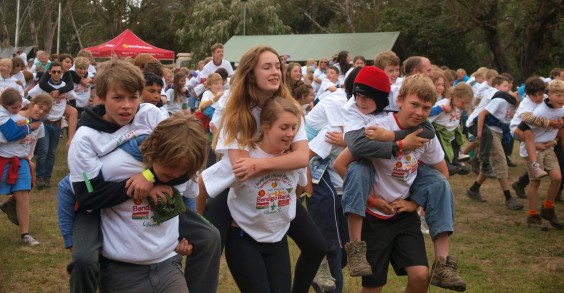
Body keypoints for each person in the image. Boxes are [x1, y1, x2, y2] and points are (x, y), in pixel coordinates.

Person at [65, 60, 220, 293]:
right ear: (101, 96)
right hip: (98, 205)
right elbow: (88, 195)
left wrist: (149, 176)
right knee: (84, 260)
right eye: (118, 98)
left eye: (133, 97)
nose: (127, 106)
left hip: (159, 196)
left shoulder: (149, 114)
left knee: (209, 237)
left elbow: (176, 157)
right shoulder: (86, 139)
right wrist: (143, 187)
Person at [197, 46, 327, 293]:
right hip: (235, 190)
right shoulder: (236, 112)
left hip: (274, 185)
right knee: (208, 248)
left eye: (278, 66)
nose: (276, 71)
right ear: (250, 74)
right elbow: (240, 168)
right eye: (267, 67)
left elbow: (301, 158)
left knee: (316, 244)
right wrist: (274, 160)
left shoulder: (289, 109)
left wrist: (261, 163)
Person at [336, 68, 465, 291]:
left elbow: (442, 173)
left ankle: (443, 264)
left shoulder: (426, 133)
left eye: (426, 108)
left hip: (404, 215)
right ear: (400, 100)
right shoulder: (378, 128)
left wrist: (414, 203)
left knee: (421, 275)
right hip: (374, 217)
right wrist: (370, 200)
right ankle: (355, 248)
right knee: (374, 286)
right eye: (414, 104)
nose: (419, 112)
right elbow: (340, 164)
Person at [201, 96, 307, 293]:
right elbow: (203, 184)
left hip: (278, 240)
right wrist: (199, 223)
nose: (290, 134)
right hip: (244, 239)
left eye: (294, 128)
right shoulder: (244, 160)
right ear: (265, 127)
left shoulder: (293, 160)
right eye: (284, 128)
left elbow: (300, 188)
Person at [0, 94, 52, 245]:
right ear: (32, 104)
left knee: (23, 194)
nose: (41, 112)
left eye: (45, 111)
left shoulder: (40, 126)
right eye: (40, 107)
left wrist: (29, 160)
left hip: (21, 161)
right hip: (3, 158)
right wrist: (27, 125)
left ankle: (25, 234)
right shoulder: (13, 117)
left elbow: (32, 144)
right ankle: (10, 205)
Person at [465, 87, 524, 210]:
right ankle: (509, 198)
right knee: (501, 162)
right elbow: (482, 114)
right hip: (489, 131)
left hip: (499, 132)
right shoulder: (501, 101)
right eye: (522, 99)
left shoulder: (515, 105)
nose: (522, 102)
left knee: (493, 164)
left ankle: (473, 189)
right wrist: (480, 134)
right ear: (517, 94)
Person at [516, 80, 564, 229]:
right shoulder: (539, 112)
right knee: (535, 182)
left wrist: (555, 142)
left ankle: (548, 209)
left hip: (548, 148)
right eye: (558, 95)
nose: (562, 98)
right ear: (548, 94)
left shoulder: (562, 109)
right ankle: (532, 216)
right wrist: (536, 143)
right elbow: (518, 131)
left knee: (557, 178)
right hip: (533, 150)